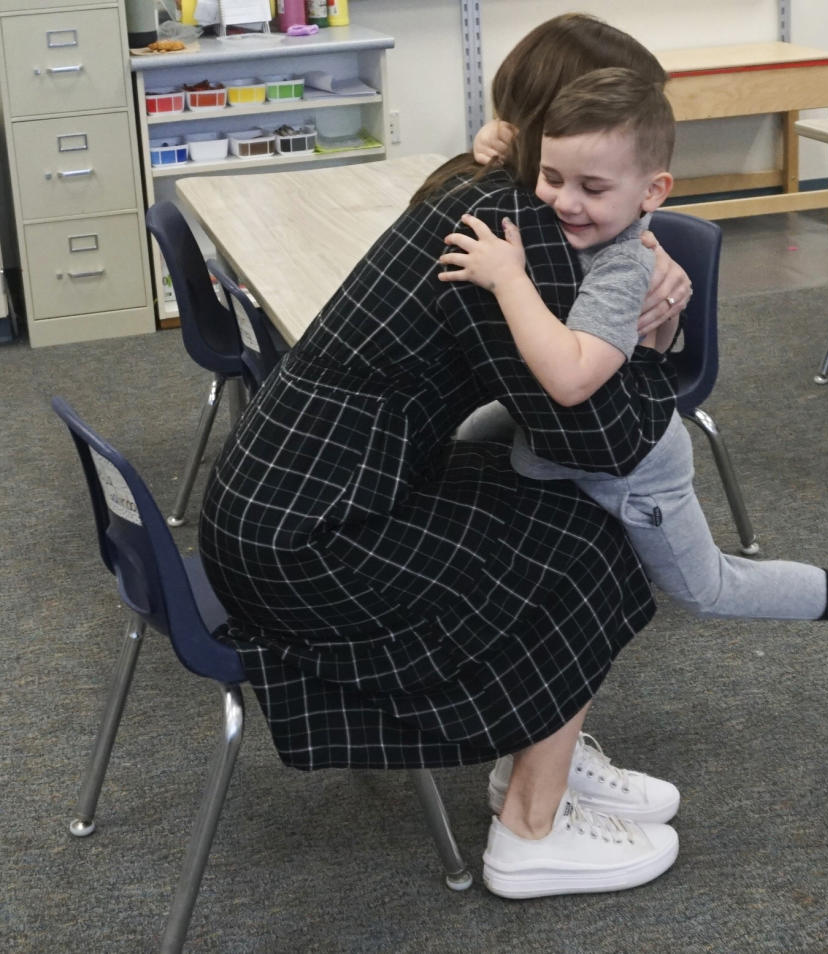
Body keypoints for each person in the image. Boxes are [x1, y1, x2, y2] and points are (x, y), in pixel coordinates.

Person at [199, 14, 693, 901]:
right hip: (311, 543)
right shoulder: (509, 233)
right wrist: (649, 330)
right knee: (590, 540)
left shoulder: (482, 187)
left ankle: (541, 757)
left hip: (273, 506)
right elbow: (605, 439)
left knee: (537, 502)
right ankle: (530, 829)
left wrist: (641, 279)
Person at [441, 67, 828, 671]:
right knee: (465, 439)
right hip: (564, 440)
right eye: (551, 176)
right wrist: (494, 140)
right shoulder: (575, 212)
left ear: (652, 193)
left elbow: (571, 380)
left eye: (592, 188)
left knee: (710, 588)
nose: (565, 201)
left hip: (635, 467)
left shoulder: (626, 266)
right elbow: (533, 159)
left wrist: (509, 278)